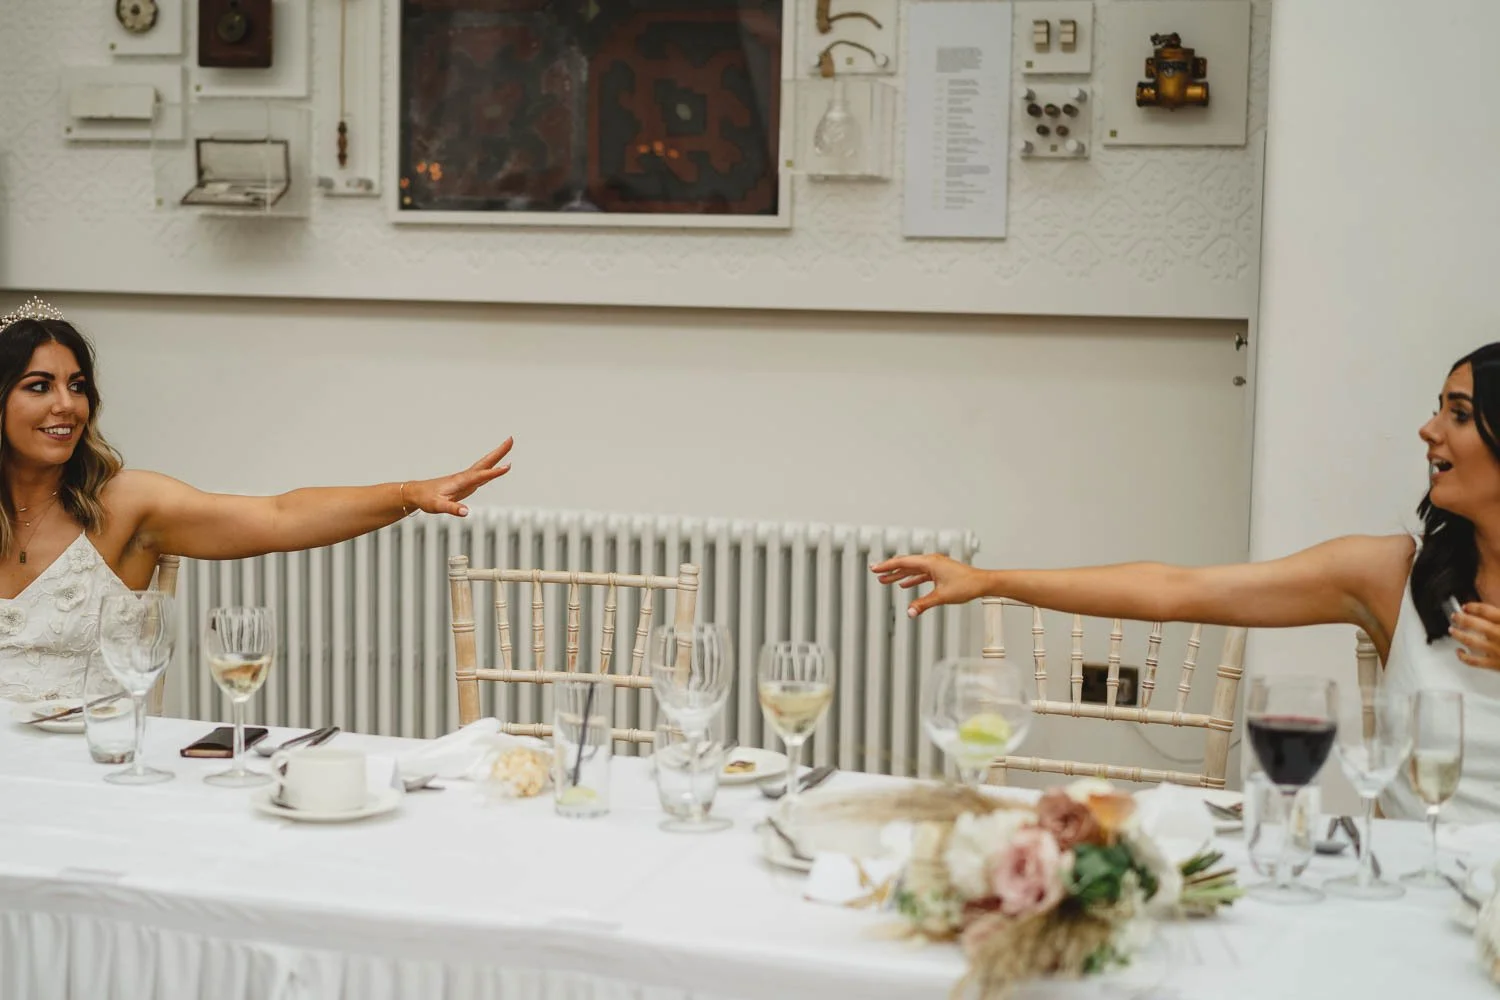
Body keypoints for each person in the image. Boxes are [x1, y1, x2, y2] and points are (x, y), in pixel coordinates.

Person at [873, 343, 1500, 822]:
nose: (1429, 429)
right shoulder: (1391, 575)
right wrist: (988, 580)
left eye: (1461, 414)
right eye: (1437, 408)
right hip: (1412, 891)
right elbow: (1171, 590)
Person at [0, 297, 512, 704]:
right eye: (39, 387)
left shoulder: (125, 504)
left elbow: (279, 516)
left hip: (91, 764)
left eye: (77, 386)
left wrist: (410, 494)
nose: (66, 405)